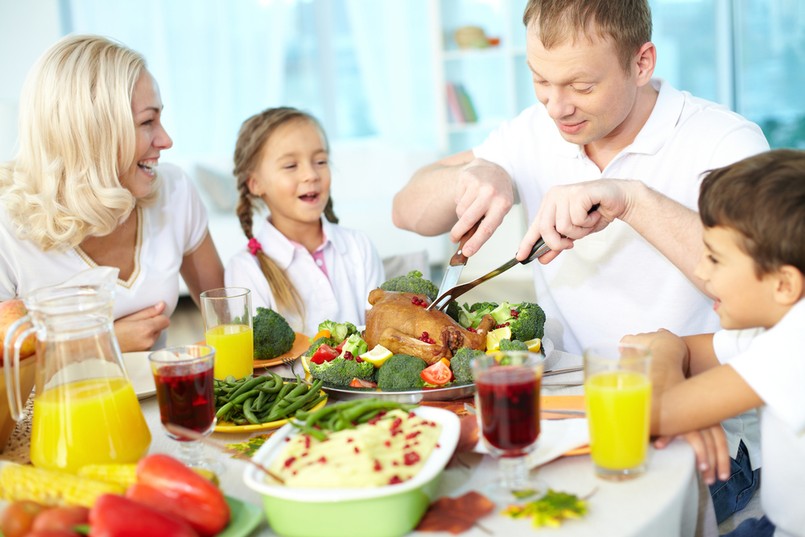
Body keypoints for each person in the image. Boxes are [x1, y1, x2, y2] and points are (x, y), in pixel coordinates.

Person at [393, 0, 766, 521]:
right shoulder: (533, 131)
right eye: (539, 81)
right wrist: (478, 173)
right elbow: (406, 210)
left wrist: (632, 200)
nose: (556, 106)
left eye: (581, 86)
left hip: (699, 424)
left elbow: (764, 288)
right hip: (567, 410)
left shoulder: (723, 141)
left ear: (642, 63)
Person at [0, 34, 225, 352]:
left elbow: (227, 319)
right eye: (148, 121)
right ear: (92, 133)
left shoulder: (174, 190)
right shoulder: (7, 227)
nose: (166, 140)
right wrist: (104, 341)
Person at [622, 149, 805, 537]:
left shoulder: (793, 346)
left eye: (715, 259)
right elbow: (654, 346)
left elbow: (654, 412)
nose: (701, 271)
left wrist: (668, 369)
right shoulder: (778, 327)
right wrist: (670, 363)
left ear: (784, 284)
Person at [224, 107, 384, 334]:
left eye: (320, 161)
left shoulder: (359, 246)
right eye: (291, 166)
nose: (311, 174)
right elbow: (259, 364)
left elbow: (380, 334)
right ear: (255, 183)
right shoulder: (245, 269)